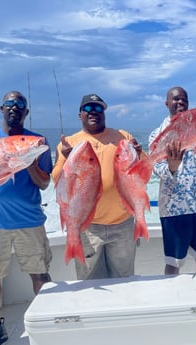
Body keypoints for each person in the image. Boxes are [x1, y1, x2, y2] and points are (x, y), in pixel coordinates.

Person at [0, 91, 53, 345]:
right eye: (10, 103)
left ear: (26, 112)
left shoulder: (38, 142)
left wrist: (26, 161)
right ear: (1, 108)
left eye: (20, 104)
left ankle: (46, 325)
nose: (14, 107)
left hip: (30, 220)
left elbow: (44, 182)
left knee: (40, 276)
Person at [52, 93, 144, 280]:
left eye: (98, 108)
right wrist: (65, 158)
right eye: (87, 109)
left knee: (124, 279)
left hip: (122, 223)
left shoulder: (122, 136)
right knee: (89, 281)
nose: (93, 112)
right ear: (80, 115)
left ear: (104, 113)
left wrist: (140, 153)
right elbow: (57, 181)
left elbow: (141, 173)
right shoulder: (68, 143)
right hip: (88, 226)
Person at [148, 86, 196, 275]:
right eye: (175, 99)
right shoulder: (158, 134)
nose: (180, 102)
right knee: (173, 263)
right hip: (174, 208)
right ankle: (174, 298)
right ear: (167, 103)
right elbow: (160, 171)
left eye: (184, 99)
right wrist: (173, 165)